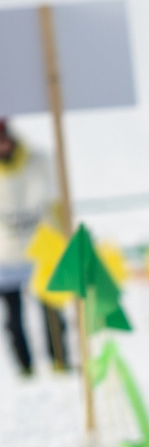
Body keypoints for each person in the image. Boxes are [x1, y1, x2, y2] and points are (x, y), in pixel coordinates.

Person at [0, 121, 67, 375]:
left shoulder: (37, 162)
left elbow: (55, 199)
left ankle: (59, 358)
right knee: (13, 317)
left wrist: (61, 235)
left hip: (41, 250)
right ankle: (24, 366)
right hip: (5, 255)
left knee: (51, 309)